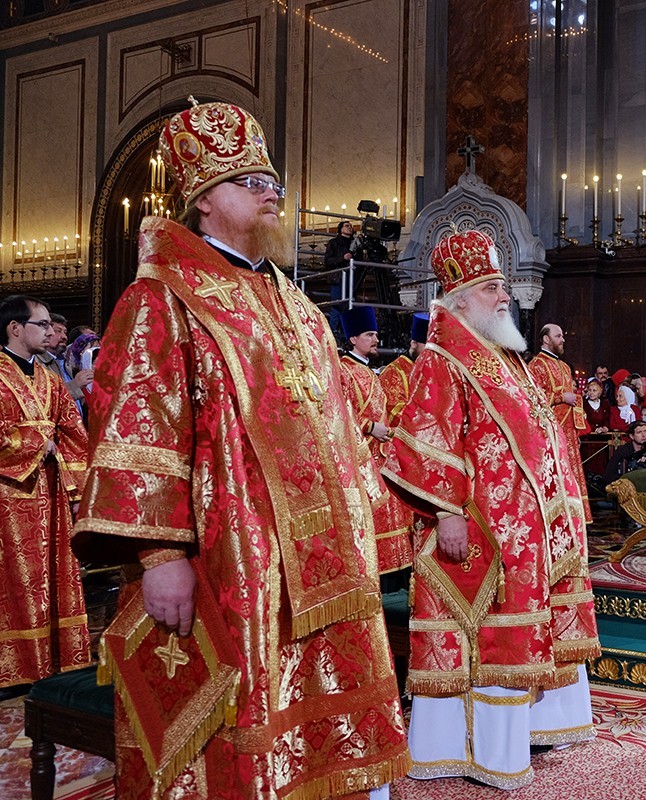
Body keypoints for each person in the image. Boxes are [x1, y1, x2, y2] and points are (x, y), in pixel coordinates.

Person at [72, 101, 408, 798]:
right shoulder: (162, 297)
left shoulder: (298, 304)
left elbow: (338, 429)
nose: (271, 191)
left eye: (272, 180)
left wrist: (371, 530)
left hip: (328, 561)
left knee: (334, 718)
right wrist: (159, 556)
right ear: (203, 200)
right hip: (233, 556)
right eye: (250, 181)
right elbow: (138, 425)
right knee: (245, 721)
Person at [387, 228, 599, 789]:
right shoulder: (442, 357)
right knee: (484, 634)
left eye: (503, 285)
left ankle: (531, 727)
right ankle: (466, 750)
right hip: (480, 526)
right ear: (459, 299)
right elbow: (429, 435)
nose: (505, 296)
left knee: (526, 627)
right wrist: (447, 513)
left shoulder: (503, 354)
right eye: (491, 288)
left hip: (529, 527)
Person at [0, 295, 91, 695]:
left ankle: (53, 660)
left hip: (51, 493)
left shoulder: (50, 379)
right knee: (14, 582)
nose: (51, 331)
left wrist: (77, 490)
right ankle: (13, 668)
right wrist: (38, 442)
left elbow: (74, 433)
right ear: (15, 328)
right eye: (42, 324)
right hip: (9, 495)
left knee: (53, 578)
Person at [339, 305, 415, 577]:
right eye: (369, 335)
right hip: (360, 457)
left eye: (375, 334)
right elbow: (338, 412)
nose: (376, 339)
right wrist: (370, 427)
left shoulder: (368, 370)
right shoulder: (343, 370)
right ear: (353, 339)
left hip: (380, 456)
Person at [529, 322, 591, 522]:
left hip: (568, 433)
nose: (563, 339)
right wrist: (560, 397)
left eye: (562, 336)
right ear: (546, 339)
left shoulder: (564, 367)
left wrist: (576, 430)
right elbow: (532, 398)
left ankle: (574, 518)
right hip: (549, 434)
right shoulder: (536, 365)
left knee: (571, 474)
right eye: (558, 336)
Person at [378, 310, 429, 429]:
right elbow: (395, 410)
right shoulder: (394, 372)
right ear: (414, 344)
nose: (431, 352)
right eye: (427, 345)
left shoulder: (434, 371)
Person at [602, 420, 646, 485]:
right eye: (639, 432)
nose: (643, 435)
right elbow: (608, 476)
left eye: (645, 431)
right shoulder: (623, 451)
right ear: (632, 436)